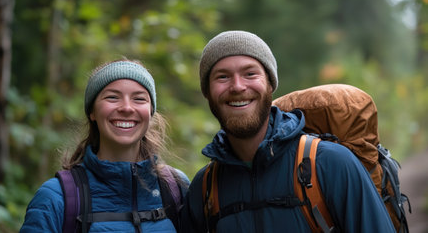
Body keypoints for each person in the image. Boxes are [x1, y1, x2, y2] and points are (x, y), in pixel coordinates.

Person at [179, 30, 396, 232]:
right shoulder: (205, 188)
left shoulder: (331, 164)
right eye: (222, 77)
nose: (237, 86)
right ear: (207, 92)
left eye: (250, 73)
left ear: (270, 85)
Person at [21, 59, 189, 232]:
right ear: (92, 112)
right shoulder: (56, 197)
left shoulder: (176, 188)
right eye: (112, 97)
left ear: (150, 112)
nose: (126, 108)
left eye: (139, 99)